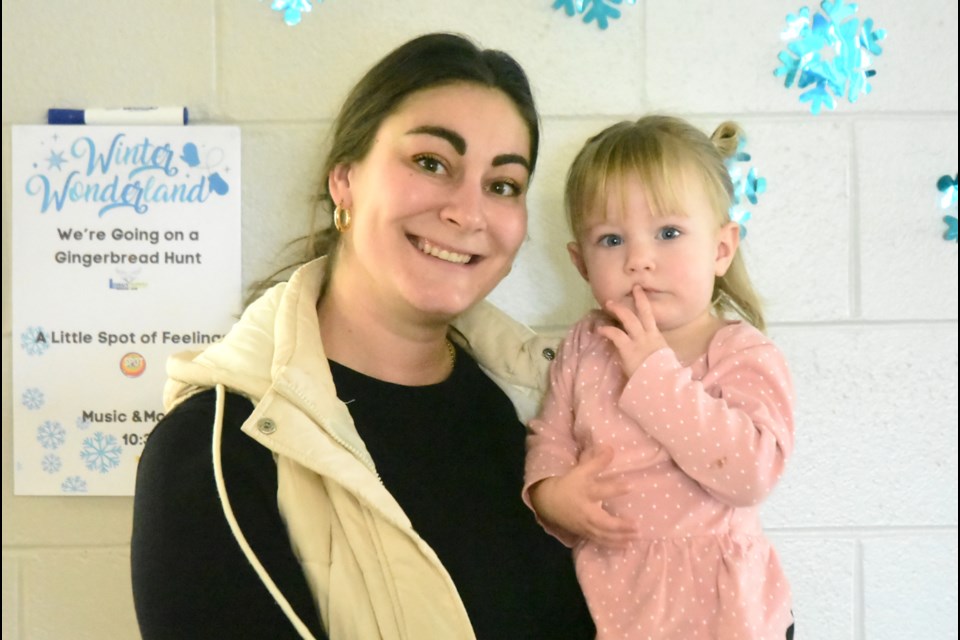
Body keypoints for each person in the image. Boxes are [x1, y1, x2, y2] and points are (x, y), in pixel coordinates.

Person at [131, 32, 595, 640]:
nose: (468, 211)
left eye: (502, 184)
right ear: (344, 180)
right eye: (431, 163)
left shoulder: (540, 408)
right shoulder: (214, 451)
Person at [522, 115, 796, 639]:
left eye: (668, 233)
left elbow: (750, 474)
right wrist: (554, 495)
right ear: (581, 264)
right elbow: (550, 436)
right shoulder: (587, 344)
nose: (639, 260)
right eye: (610, 240)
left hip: (728, 614)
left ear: (721, 248)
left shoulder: (741, 352)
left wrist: (654, 374)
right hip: (616, 601)